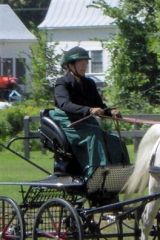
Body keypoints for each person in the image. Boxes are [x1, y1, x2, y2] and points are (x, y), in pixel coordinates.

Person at [49, 46, 128, 177]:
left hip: (86, 124)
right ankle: (97, 174)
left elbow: (99, 106)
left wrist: (110, 112)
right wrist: (89, 110)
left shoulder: (89, 83)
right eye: (80, 62)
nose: (84, 65)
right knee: (94, 134)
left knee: (115, 141)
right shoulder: (62, 83)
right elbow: (65, 104)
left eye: (85, 62)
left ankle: (120, 173)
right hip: (69, 125)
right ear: (70, 65)